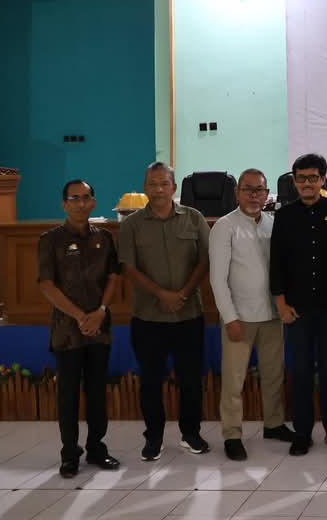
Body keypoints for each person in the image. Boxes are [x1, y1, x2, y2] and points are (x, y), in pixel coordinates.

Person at [119, 162, 211, 461]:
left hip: (188, 314)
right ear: (145, 187)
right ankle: (154, 437)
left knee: (190, 380)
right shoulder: (131, 224)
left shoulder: (194, 218)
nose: (158, 189)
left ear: (174, 187)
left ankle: (191, 433)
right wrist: (162, 295)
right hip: (148, 317)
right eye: (152, 183)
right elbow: (128, 267)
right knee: (150, 381)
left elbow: (205, 261)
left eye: (164, 183)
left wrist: (181, 294)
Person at [209, 169, 295, 462]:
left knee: (273, 375)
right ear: (237, 193)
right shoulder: (225, 226)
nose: (254, 196)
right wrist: (229, 317)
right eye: (248, 189)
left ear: (267, 193)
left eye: (260, 190)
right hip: (240, 317)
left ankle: (274, 424)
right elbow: (217, 279)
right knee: (234, 381)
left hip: (272, 314)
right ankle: (232, 434)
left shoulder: (274, 224)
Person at [37, 179, 121, 478]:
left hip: (99, 326)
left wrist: (99, 312)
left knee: (97, 392)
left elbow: (113, 277)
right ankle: (70, 454)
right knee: (68, 394)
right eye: (74, 198)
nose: (81, 203)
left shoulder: (105, 238)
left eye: (86, 197)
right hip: (67, 330)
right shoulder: (50, 240)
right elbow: (47, 285)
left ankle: (97, 448)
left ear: (94, 202)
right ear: (64, 204)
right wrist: (80, 317)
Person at [270, 153, 327, 456]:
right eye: (301, 178)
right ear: (294, 181)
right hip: (297, 309)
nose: (307, 183)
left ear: (323, 180)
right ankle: (302, 433)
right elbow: (276, 263)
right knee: (301, 372)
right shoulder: (284, 216)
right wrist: (280, 304)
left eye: (313, 178)